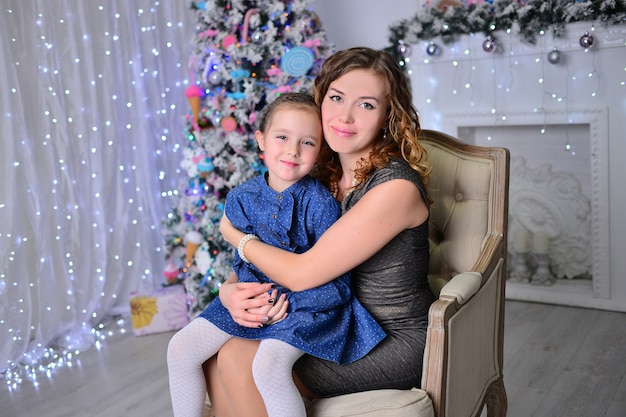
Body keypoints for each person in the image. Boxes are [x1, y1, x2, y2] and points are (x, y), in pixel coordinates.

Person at [209, 46, 436, 417]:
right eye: (336, 98)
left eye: (366, 105)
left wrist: (232, 234)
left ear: (387, 116)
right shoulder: (320, 176)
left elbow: (301, 274)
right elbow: (271, 247)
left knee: (237, 359)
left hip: (389, 337)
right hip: (329, 319)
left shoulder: (395, 189)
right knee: (212, 357)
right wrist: (231, 289)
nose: (344, 117)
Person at [166, 92, 386, 417]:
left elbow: (335, 283)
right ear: (261, 141)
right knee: (179, 348)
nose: (292, 151)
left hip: (307, 306)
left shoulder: (320, 203)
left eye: (307, 142)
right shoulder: (241, 199)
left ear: (320, 150)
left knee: (267, 366)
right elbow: (244, 264)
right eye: (282, 137)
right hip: (256, 301)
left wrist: (284, 305)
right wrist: (236, 296)